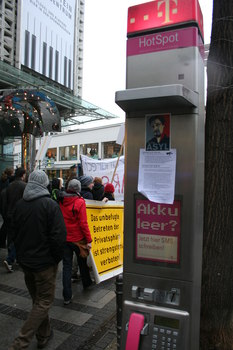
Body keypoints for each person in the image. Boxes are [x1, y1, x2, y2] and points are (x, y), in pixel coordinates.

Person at [9, 170, 66, 350]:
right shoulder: (50, 205)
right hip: (44, 264)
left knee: (38, 301)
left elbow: (13, 234)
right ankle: (21, 342)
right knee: (43, 302)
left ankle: (44, 335)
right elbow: (59, 237)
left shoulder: (20, 205)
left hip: (26, 262)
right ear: (44, 184)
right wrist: (55, 259)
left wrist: (20, 255)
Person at [59, 179, 92, 303]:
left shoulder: (62, 200)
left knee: (66, 267)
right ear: (78, 190)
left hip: (65, 238)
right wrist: (89, 239)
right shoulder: (79, 202)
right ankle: (87, 284)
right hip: (78, 239)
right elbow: (83, 223)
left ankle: (67, 296)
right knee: (82, 263)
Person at [3, 167, 27, 272]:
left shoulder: (10, 186)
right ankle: (10, 260)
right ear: (23, 175)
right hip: (20, 215)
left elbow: (6, 201)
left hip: (9, 214)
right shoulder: (24, 186)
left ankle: (13, 257)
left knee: (11, 236)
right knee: (19, 238)